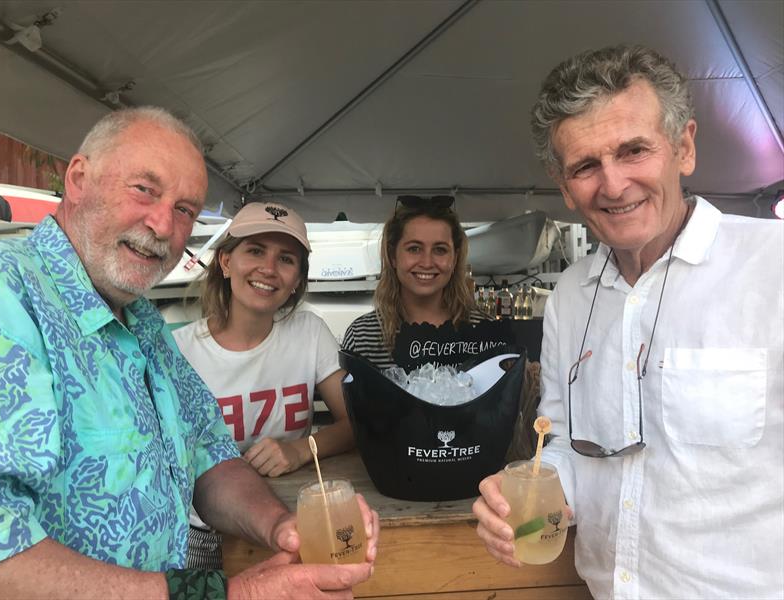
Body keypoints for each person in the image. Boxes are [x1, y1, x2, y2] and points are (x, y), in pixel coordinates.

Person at [0, 107, 378, 599]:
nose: (164, 224)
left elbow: (210, 457)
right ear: (79, 179)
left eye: (186, 209)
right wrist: (233, 595)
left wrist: (284, 527)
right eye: (144, 189)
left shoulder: (143, 321)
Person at [474, 45, 783, 599]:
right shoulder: (571, 294)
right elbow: (564, 442)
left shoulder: (773, 266)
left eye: (634, 150)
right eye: (586, 166)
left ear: (684, 147)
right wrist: (522, 493)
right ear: (564, 185)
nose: (613, 186)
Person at [173, 201, 354, 568]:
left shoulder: (310, 332)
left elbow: (358, 425)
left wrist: (302, 449)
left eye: (286, 259)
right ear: (225, 262)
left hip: (291, 517)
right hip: (202, 535)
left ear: (298, 279)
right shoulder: (179, 350)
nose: (268, 269)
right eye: (255, 251)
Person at [341, 196, 488, 370]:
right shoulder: (362, 338)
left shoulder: (485, 333)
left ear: (455, 258)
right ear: (393, 256)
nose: (427, 263)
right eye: (414, 249)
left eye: (440, 250)